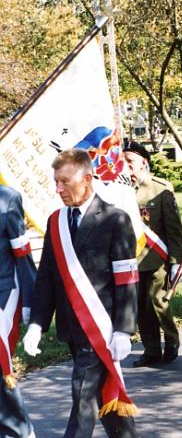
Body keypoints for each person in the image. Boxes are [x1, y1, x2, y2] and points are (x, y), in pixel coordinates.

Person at [24, 149, 138, 437]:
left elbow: (126, 279)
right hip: (72, 327)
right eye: (56, 182)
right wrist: (37, 323)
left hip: (103, 328)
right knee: (103, 397)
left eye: (65, 181)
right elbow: (47, 277)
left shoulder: (115, 219)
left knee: (83, 395)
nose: (58, 189)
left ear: (87, 179)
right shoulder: (55, 222)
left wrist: (124, 330)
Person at [122, 141, 182, 368]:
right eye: (123, 162)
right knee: (141, 308)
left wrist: (176, 261)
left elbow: (174, 229)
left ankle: (171, 339)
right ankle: (151, 350)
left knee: (158, 301)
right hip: (131, 261)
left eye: (130, 162)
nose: (126, 167)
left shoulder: (160, 188)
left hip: (157, 258)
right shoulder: (119, 190)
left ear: (143, 163)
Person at [0, 185, 36, 438]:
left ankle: (20, 431)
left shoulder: (7, 198)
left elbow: (22, 253)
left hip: (3, 292)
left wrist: (30, 301)